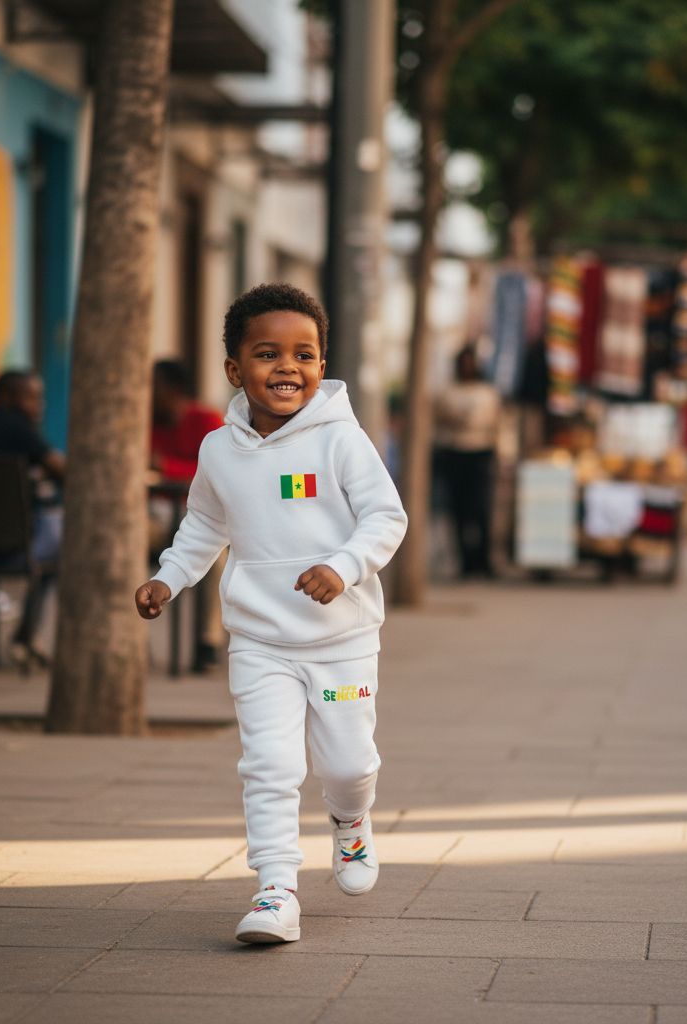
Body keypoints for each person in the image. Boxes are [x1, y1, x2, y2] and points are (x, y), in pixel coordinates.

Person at [134, 283, 407, 945]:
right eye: (267, 353)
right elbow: (204, 523)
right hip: (260, 642)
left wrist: (341, 568)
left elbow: (386, 517)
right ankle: (275, 890)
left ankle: (351, 822)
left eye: (305, 354)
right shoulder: (219, 450)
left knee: (347, 763)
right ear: (235, 370)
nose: (288, 367)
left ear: (322, 364)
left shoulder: (342, 440)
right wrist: (169, 578)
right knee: (270, 764)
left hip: (341, 642)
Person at [0, 370, 65, 668]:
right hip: (13, 550)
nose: (38, 405)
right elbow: (62, 470)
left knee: (54, 541)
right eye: (30, 397)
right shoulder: (19, 428)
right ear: (6, 397)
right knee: (63, 548)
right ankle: (25, 636)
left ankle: (27, 636)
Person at [149, 359, 225, 668]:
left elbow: (219, 472)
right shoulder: (143, 421)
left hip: (198, 514)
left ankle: (208, 642)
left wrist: (165, 468)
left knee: (216, 558)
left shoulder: (206, 420)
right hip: (153, 514)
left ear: (173, 389)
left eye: (154, 386)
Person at [433, 344, 501, 578]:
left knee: (481, 510)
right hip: (455, 453)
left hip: (480, 453)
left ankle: (483, 560)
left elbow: (493, 422)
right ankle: (465, 562)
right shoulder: (448, 392)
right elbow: (440, 418)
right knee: (458, 511)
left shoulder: (487, 392)